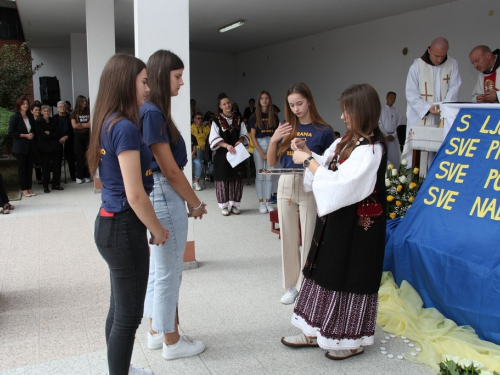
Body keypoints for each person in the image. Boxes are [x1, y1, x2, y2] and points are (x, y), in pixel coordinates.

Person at [282, 83, 387, 361]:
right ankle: (314, 329)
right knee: (325, 270)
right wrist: (308, 153)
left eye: (346, 111)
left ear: (361, 111)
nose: (342, 117)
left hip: (358, 229)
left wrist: (307, 162)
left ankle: (351, 340)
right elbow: (327, 166)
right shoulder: (349, 139)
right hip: (338, 221)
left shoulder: (372, 147)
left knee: (349, 274)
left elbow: (343, 183)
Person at [87, 53, 167, 375]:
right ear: (126, 82)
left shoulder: (107, 121)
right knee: (129, 316)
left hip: (108, 225)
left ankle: (120, 368)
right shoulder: (124, 128)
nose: (148, 89)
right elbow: (135, 194)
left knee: (118, 308)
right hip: (123, 228)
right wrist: (158, 229)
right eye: (144, 81)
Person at [141, 49, 207, 361]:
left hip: (162, 195)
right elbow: (169, 169)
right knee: (169, 273)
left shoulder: (152, 111)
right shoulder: (152, 112)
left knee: (160, 269)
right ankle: (172, 341)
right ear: (160, 76)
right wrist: (195, 203)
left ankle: (157, 330)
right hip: (165, 195)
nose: (182, 83)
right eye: (177, 76)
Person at [267, 82, 334, 304]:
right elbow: (271, 162)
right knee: (287, 236)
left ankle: (304, 285)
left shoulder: (323, 130)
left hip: (309, 182)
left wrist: (306, 150)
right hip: (286, 181)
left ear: (309, 101)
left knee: (308, 236)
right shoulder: (285, 127)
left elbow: (329, 164)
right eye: (291, 105)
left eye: (300, 103)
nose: (296, 108)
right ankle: (290, 285)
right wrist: (275, 139)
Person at [404, 37, 461, 169]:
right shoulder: (416, 66)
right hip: (421, 117)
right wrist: (428, 108)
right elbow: (411, 93)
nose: (439, 60)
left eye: (443, 56)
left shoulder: (452, 64)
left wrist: (444, 107)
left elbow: (455, 87)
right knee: (419, 158)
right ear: (429, 50)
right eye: (436, 56)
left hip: (442, 117)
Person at [209, 93, 249, 216]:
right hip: (222, 154)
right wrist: (226, 145)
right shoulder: (216, 120)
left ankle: (235, 204)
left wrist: (239, 141)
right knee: (223, 179)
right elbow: (213, 138)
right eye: (224, 104)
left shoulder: (238, 118)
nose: (227, 105)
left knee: (236, 179)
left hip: (236, 153)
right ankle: (224, 206)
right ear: (220, 106)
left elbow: (244, 134)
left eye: (228, 103)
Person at [248, 91, 279, 213]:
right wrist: (261, 153)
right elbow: (253, 136)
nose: (264, 100)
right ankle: (261, 203)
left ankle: (268, 201)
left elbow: (276, 134)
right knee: (260, 175)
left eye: (266, 98)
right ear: (259, 101)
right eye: (262, 98)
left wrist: (274, 148)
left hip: (271, 143)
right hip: (259, 144)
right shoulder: (254, 117)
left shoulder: (274, 116)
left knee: (269, 174)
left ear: (269, 100)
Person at [8, 97, 36, 197]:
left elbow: (33, 129)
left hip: (30, 146)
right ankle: (24, 188)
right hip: (20, 147)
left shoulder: (30, 117)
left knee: (29, 168)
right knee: (22, 169)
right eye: (23, 104)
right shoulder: (15, 117)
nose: (25, 105)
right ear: (19, 105)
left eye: (27, 104)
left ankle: (29, 187)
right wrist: (25, 135)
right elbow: (11, 132)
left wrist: (32, 135)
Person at [36, 105, 63, 193]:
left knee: (56, 166)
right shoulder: (39, 121)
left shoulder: (53, 120)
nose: (47, 113)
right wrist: (52, 134)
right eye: (45, 111)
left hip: (55, 147)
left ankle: (56, 184)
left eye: (48, 111)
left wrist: (49, 133)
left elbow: (58, 134)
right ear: (41, 112)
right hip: (44, 148)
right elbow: (42, 135)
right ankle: (45, 186)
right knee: (45, 167)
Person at [71, 95, 91, 184]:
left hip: (87, 136)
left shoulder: (88, 111)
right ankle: (79, 176)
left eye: (85, 101)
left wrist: (81, 124)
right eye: (83, 101)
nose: (85, 103)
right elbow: (74, 126)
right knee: (79, 156)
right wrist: (84, 124)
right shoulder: (74, 113)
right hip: (78, 137)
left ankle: (87, 175)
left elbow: (90, 124)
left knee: (87, 156)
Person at [379, 91, 402, 169]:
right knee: (385, 157)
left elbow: (399, 124)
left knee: (395, 158)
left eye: (394, 98)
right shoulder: (381, 110)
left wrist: (394, 135)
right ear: (386, 97)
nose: (393, 100)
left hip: (393, 137)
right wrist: (385, 135)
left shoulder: (397, 111)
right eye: (391, 98)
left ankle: (395, 175)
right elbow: (379, 124)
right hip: (384, 137)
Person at [54, 101, 76, 181]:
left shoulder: (69, 116)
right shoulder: (54, 118)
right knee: (58, 160)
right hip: (58, 140)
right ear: (57, 109)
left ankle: (73, 176)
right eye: (60, 107)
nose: (62, 108)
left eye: (63, 107)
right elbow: (54, 130)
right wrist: (60, 137)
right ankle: (58, 178)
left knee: (71, 158)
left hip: (68, 139)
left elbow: (72, 129)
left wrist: (66, 136)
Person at [191, 111, 210, 191]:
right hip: (197, 149)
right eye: (198, 118)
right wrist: (199, 146)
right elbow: (192, 142)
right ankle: (197, 179)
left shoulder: (205, 128)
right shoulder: (191, 129)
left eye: (201, 118)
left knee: (210, 154)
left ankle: (209, 173)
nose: (200, 120)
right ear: (194, 119)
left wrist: (210, 124)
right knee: (198, 156)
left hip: (205, 147)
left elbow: (209, 136)